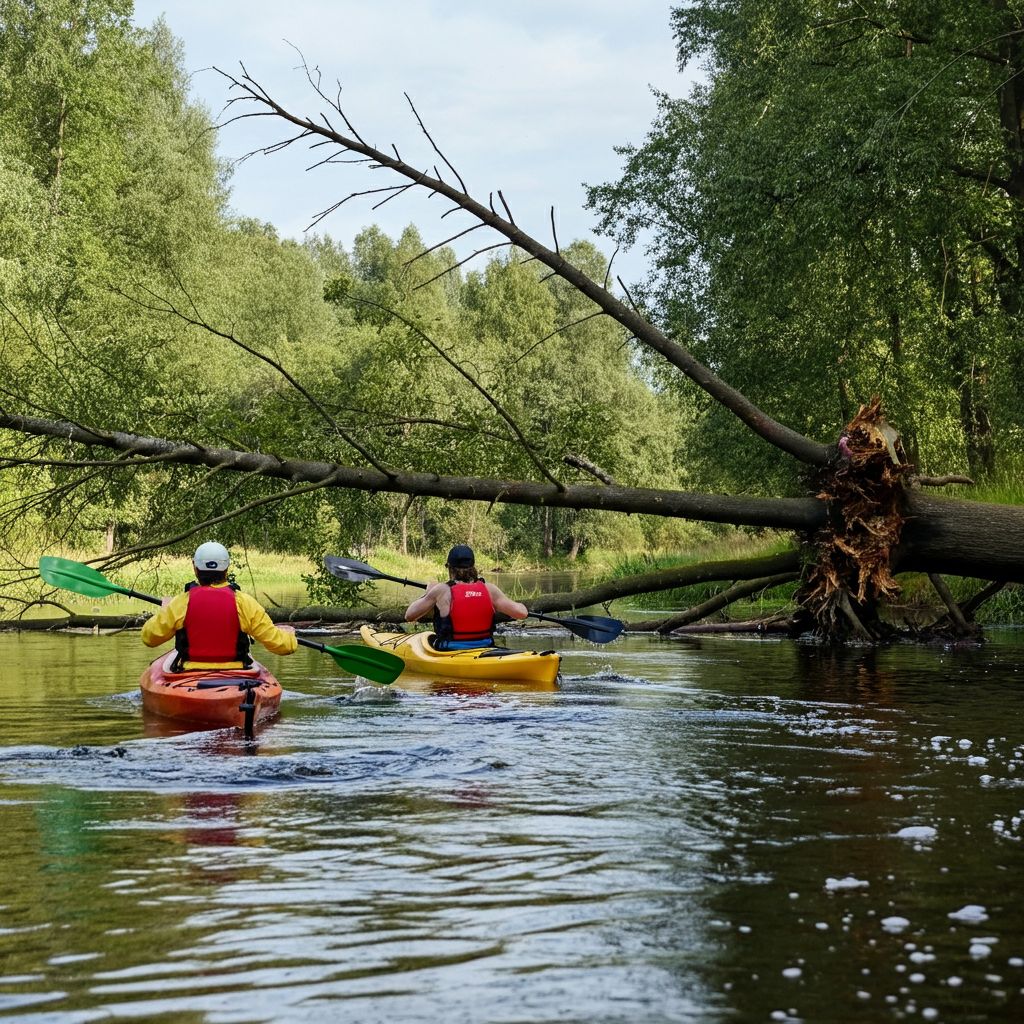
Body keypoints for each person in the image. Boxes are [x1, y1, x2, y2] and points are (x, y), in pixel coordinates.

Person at [141, 541, 298, 670]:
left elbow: (149, 638)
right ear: (226, 569)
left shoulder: (181, 602)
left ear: (195, 569)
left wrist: (163, 611)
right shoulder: (244, 603)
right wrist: (290, 637)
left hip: (190, 672)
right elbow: (284, 647)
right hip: (237, 675)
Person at [405, 544, 528, 650]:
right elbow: (522, 613)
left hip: (450, 650)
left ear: (450, 568)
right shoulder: (489, 589)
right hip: (485, 648)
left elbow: (409, 615)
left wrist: (429, 592)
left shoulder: (441, 591)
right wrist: (522, 605)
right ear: (473, 567)